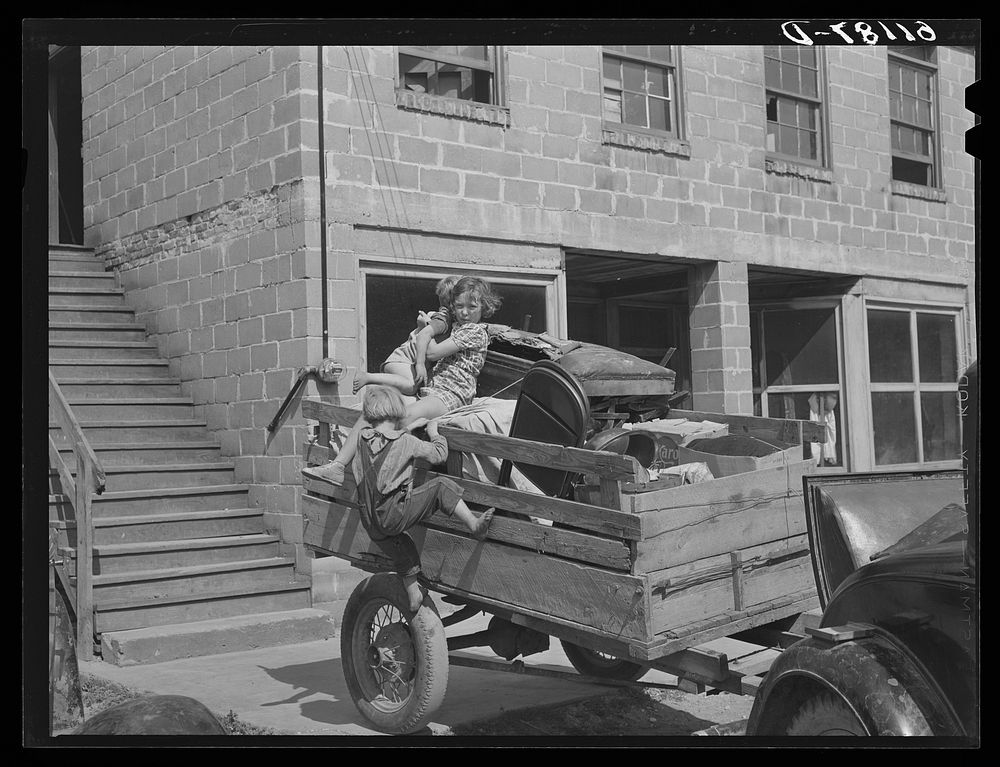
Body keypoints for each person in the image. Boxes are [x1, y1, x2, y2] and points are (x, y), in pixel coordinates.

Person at [323, 385, 494, 612]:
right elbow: (439, 455)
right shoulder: (406, 442)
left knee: (402, 546)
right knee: (442, 486)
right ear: (398, 411)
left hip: (371, 520)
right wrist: (433, 433)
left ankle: (413, 593)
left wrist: (408, 431)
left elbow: (384, 444)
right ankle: (474, 524)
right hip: (394, 514)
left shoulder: (362, 439)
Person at [321, 275, 503, 484]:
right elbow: (425, 338)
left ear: (484, 307)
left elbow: (432, 353)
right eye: (459, 306)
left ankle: (377, 469)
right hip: (432, 391)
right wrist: (428, 331)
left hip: (451, 394)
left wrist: (426, 332)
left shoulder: (475, 330)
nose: (464, 312)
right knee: (377, 411)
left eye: (472, 307)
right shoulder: (456, 326)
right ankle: (338, 465)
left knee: (399, 417)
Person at [352, 275, 459, 396]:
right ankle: (369, 377)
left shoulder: (440, 320)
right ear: (453, 304)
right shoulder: (442, 321)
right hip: (403, 361)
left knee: (415, 388)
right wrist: (420, 364)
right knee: (411, 386)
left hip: (406, 363)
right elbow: (424, 336)